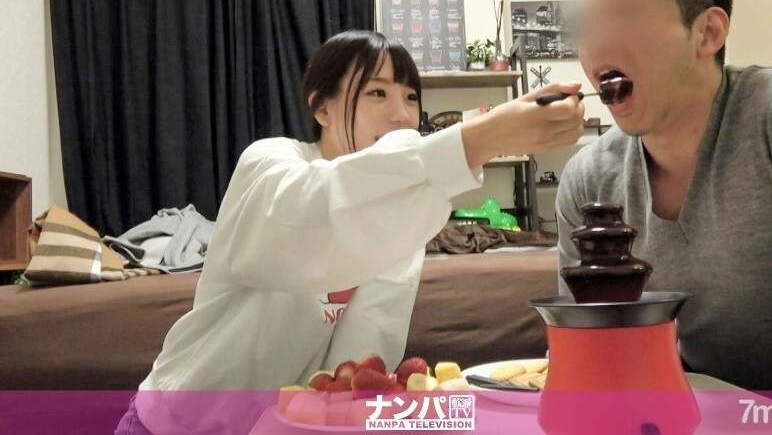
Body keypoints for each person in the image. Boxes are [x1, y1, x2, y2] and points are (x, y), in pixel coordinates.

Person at [116, 30, 585, 433]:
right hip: (173, 423)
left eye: (411, 97)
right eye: (377, 93)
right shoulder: (271, 163)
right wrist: (477, 139)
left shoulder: (405, 213)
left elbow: (357, 364)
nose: (401, 115)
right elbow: (313, 211)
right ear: (321, 109)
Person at [555, 0, 772, 391]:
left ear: (707, 33)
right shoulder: (588, 179)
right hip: (692, 411)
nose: (597, 43)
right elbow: (585, 347)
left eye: (626, 13)